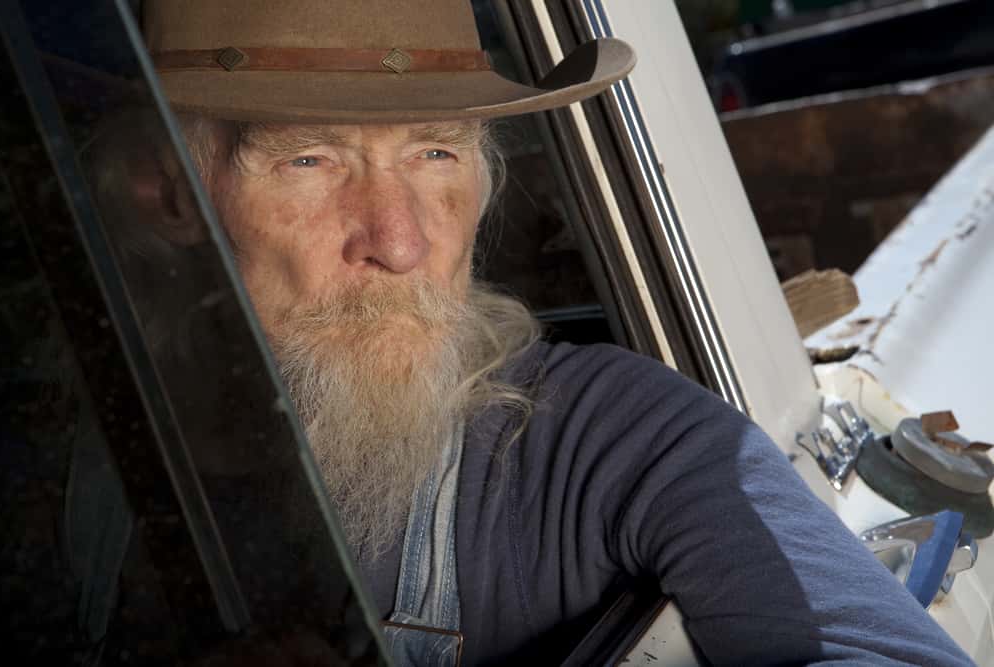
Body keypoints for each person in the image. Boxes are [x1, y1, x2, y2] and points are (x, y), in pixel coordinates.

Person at [138, 0, 975, 664]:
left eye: (436, 153)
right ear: (176, 195)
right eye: (310, 159)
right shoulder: (101, 439)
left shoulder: (607, 440)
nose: (400, 241)